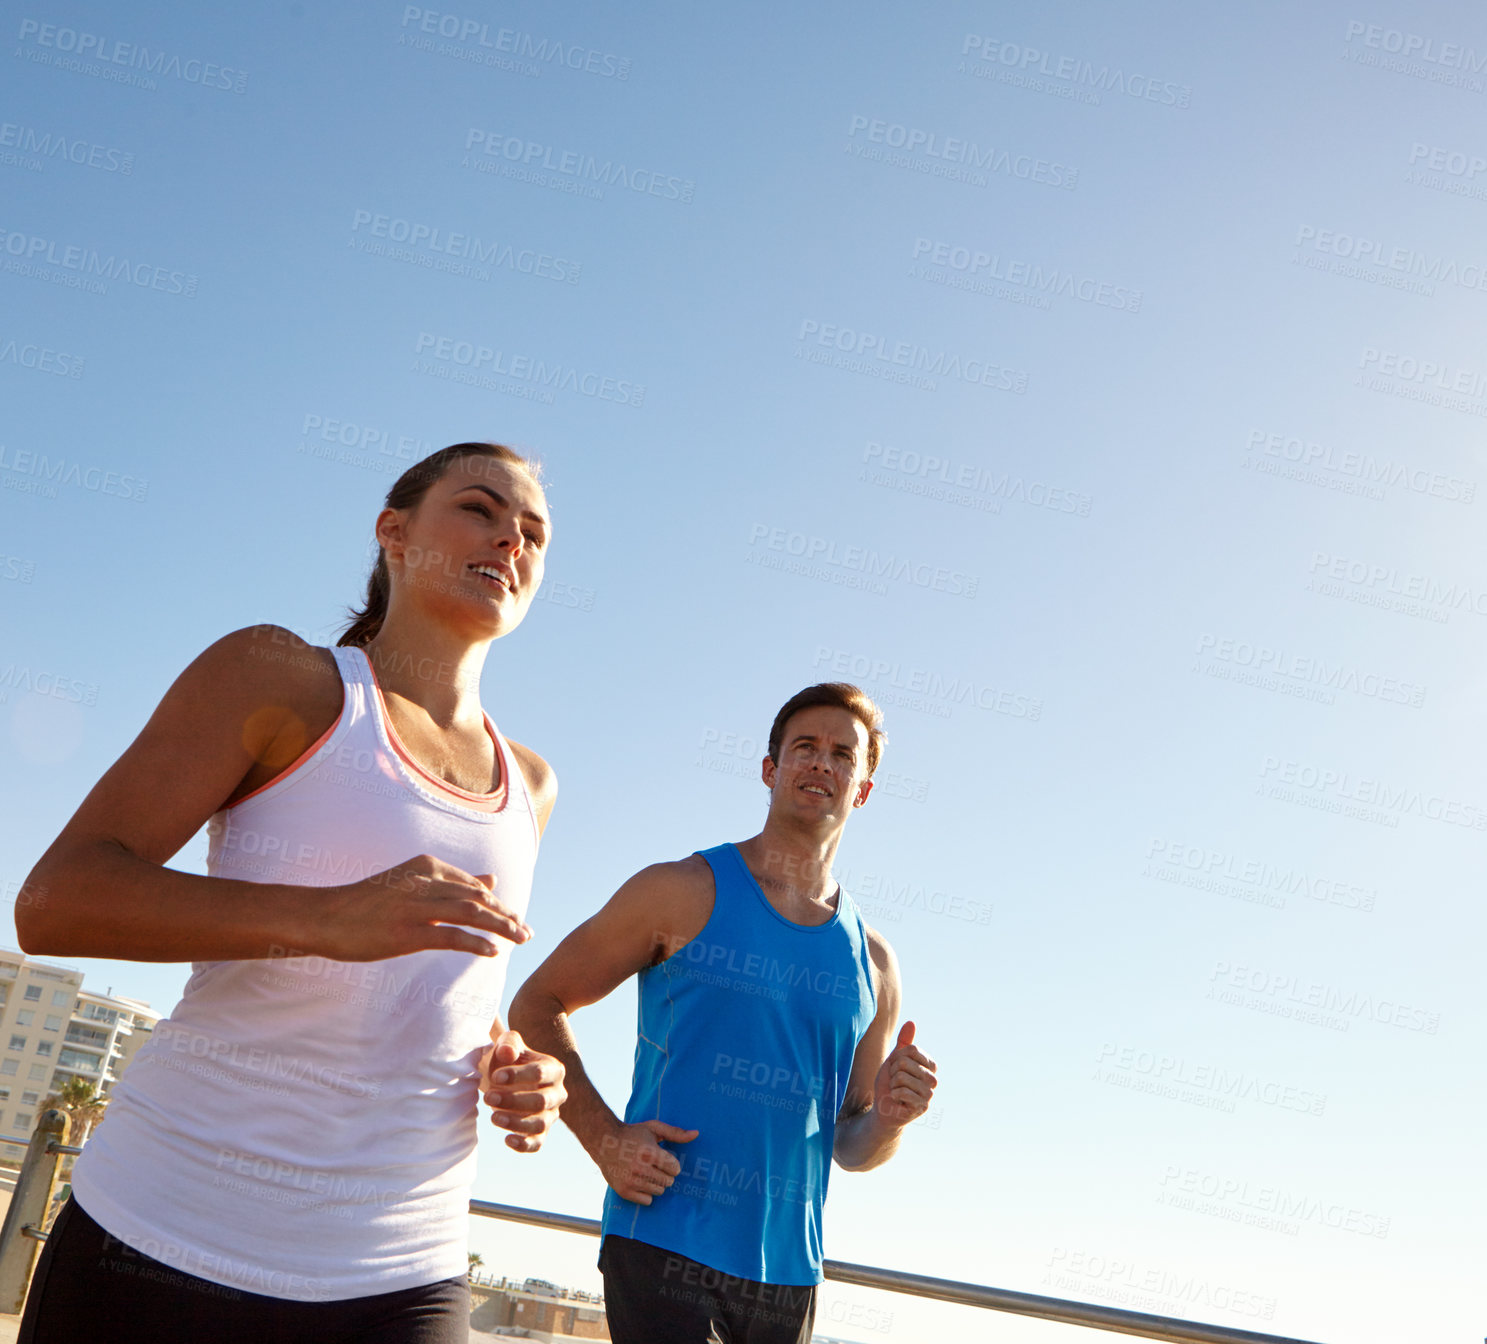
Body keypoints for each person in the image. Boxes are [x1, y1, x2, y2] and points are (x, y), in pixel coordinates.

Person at [15, 442, 567, 1344]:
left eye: (534, 532)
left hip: (402, 1266)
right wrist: (319, 919)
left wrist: (512, 1067)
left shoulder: (533, 783)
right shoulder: (280, 677)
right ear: (394, 531)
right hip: (166, 1236)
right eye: (480, 508)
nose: (511, 537)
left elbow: (448, 988)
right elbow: (53, 901)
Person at [509, 683, 938, 1344]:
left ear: (863, 789)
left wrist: (888, 1117)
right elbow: (535, 1004)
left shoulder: (874, 962)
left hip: (790, 1276)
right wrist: (604, 1139)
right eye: (804, 747)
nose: (821, 762)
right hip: (662, 1243)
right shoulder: (678, 891)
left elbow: (852, 1145)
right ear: (770, 770)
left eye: (841, 755)